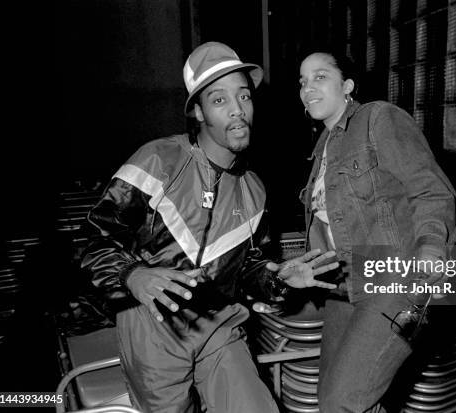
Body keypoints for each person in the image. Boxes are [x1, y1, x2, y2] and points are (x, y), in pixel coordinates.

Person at [81, 42, 338, 413]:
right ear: (198, 112)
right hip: (153, 332)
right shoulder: (158, 161)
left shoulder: (254, 189)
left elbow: (249, 269)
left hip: (219, 325)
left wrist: (278, 277)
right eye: (219, 100)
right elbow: (95, 241)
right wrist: (134, 275)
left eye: (244, 96)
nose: (238, 110)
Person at [298, 51, 456, 412]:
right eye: (303, 81)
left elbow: (430, 189)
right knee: (333, 399)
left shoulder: (379, 119)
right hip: (344, 285)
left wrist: (431, 247)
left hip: (393, 279)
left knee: (342, 402)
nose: (308, 88)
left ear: (348, 85)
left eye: (320, 77)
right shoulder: (321, 151)